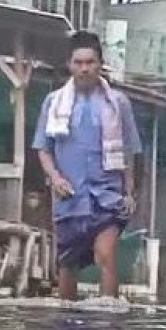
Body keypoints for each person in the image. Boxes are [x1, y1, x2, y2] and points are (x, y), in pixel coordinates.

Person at [32, 31, 144, 300]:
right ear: (70, 65)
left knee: (105, 254)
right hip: (69, 197)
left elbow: (131, 152)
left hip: (107, 196)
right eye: (78, 62)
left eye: (90, 62)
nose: (84, 68)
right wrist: (55, 178)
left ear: (100, 64)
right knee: (67, 265)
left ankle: (108, 321)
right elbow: (43, 149)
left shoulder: (118, 103)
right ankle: (67, 323)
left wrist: (129, 192)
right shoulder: (54, 102)